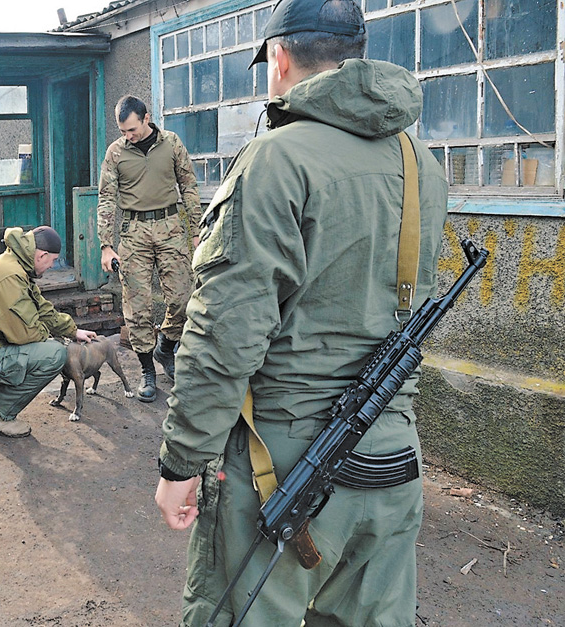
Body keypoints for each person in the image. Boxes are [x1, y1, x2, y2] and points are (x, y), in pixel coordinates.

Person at [154, 1, 449, 625]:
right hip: (391, 450)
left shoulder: (278, 159)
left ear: (280, 58)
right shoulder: (421, 163)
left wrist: (183, 460)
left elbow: (225, 332)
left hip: (286, 459)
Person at [97, 95, 201, 403]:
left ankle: (165, 346)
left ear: (146, 118)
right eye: (123, 131)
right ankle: (147, 371)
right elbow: (106, 198)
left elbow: (189, 186)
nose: (127, 136)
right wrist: (106, 245)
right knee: (137, 307)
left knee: (183, 298)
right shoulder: (116, 152)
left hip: (171, 226)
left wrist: (196, 232)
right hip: (134, 233)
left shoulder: (171, 143)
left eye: (131, 129)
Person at [0, 226, 97, 438]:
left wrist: (71, 330)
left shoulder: (17, 265)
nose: (52, 266)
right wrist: (54, 338)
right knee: (54, 354)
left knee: (45, 345)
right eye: (53, 260)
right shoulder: (10, 275)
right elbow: (24, 334)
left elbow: (40, 307)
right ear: (42, 255)